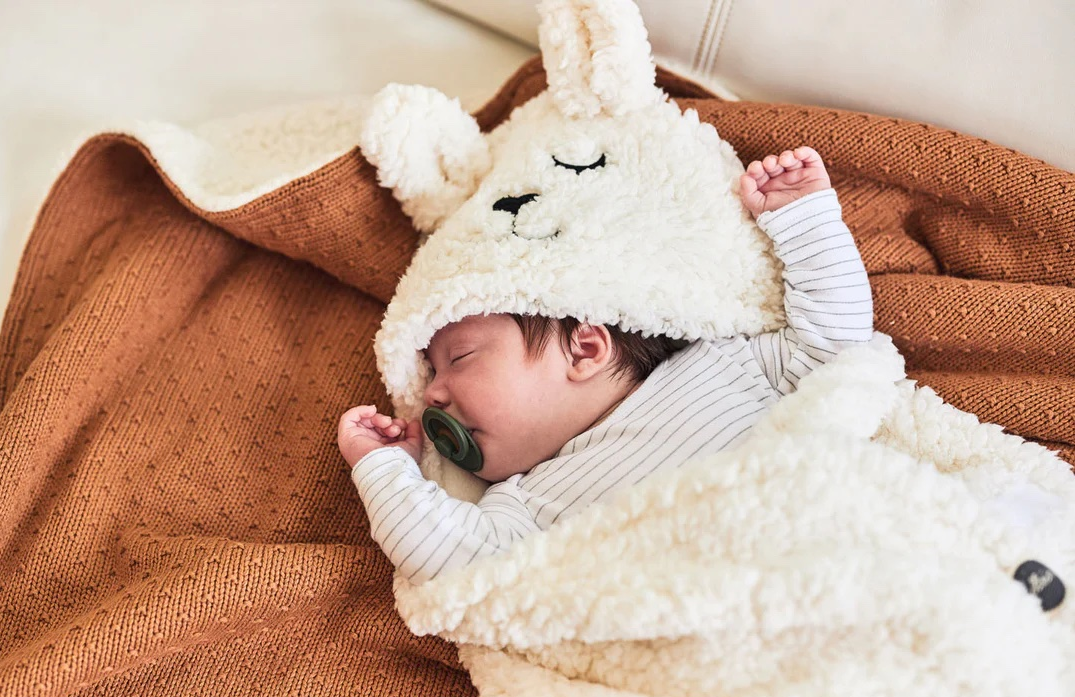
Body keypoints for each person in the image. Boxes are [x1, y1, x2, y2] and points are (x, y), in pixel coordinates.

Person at [337, 147, 873, 583]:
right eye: (433, 373)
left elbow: (835, 344)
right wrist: (385, 468)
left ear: (585, 350)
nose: (433, 394)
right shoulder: (524, 505)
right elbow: (451, 564)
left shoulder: (728, 366)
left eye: (459, 358)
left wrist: (802, 219)